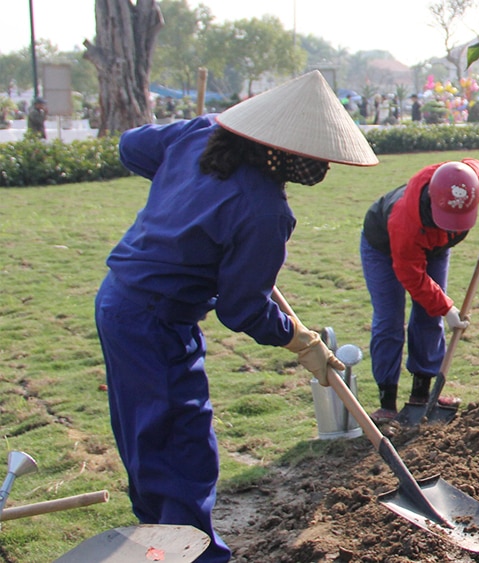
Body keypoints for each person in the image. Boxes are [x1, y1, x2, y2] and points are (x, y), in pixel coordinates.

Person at [93, 70, 378, 563]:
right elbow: (242, 307)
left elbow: (132, 147)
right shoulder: (263, 209)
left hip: (119, 301)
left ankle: (157, 538)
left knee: (148, 433)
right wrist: (300, 341)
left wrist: (182, 185)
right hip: (154, 319)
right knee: (181, 444)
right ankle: (193, 553)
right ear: (290, 151)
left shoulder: (200, 132)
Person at [360, 159, 479, 422]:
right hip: (384, 247)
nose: (454, 226)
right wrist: (446, 307)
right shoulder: (404, 222)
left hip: (435, 247)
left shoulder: (469, 178)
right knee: (389, 320)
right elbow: (412, 276)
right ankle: (387, 403)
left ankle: (422, 394)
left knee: (428, 318)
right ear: (432, 202)